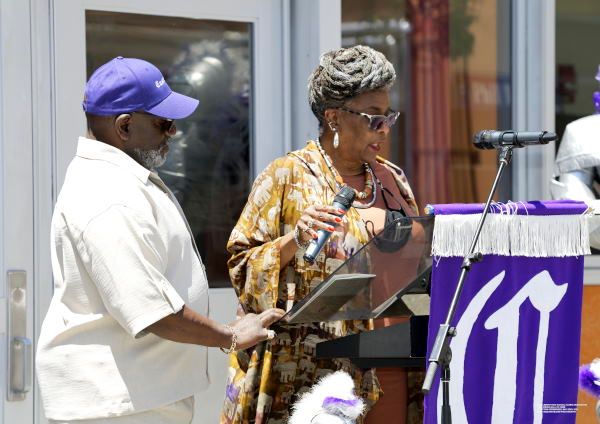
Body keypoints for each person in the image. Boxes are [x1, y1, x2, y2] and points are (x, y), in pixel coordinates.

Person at [36, 56, 284, 424]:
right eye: (163, 123)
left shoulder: (119, 179)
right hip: (119, 407)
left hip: (135, 399)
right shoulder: (108, 196)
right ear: (124, 126)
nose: (174, 132)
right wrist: (230, 335)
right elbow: (150, 310)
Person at [220, 45, 420, 424]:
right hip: (318, 380)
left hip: (395, 369)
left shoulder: (393, 178)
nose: (385, 128)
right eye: (373, 117)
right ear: (334, 117)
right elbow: (242, 267)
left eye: (389, 116)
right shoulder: (287, 177)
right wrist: (294, 240)